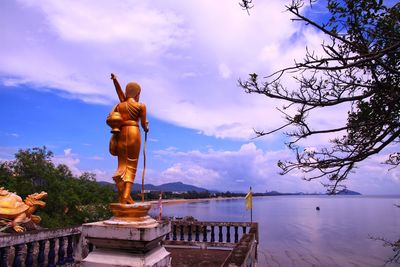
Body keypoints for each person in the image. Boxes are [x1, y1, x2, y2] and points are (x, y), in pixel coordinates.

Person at [107, 73, 149, 204]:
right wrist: (146, 127)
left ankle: (124, 194)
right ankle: (125, 195)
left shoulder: (120, 105)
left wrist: (115, 81)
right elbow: (143, 124)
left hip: (121, 132)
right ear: (137, 93)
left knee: (122, 163)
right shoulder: (140, 106)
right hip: (133, 131)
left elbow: (120, 95)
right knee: (131, 165)